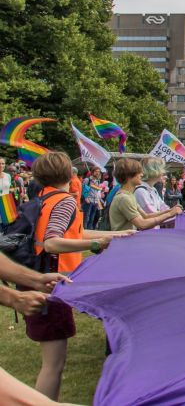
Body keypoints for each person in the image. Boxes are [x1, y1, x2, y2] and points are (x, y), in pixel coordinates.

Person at [25, 151, 132, 401]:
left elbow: (75, 233)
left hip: (39, 279)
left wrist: (117, 236)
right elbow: (52, 242)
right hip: (53, 285)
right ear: (68, 173)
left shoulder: (45, 197)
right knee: (53, 364)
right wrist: (96, 246)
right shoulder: (64, 201)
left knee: (52, 362)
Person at [109, 158, 182, 231]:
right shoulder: (124, 198)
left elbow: (146, 216)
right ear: (129, 176)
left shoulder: (129, 195)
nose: (142, 174)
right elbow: (142, 224)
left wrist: (171, 211)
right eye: (138, 172)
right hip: (124, 241)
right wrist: (170, 214)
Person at [134, 158, 172, 228]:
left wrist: (178, 213)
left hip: (154, 232)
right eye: (161, 169)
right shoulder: (141, 191)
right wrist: (173, 214)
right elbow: (151, 214)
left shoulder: (153, 189)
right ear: (153, 171)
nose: (164, 173)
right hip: (146, 235)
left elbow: (163, 206)